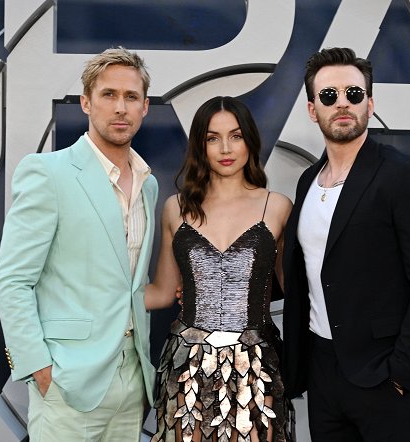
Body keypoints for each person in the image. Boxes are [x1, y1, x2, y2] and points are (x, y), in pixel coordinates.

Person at [282, 47, 410, 441]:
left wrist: (403, 373)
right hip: (323, 373)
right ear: (312, 110)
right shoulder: (307, 181)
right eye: (329, 96)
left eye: (353, 94)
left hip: (385, 378)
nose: (342, 103)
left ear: (370, 103)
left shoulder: (403, 176)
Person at [0, 46, 157, 442]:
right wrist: (39, 368)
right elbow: (12, 281)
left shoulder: (148, 184)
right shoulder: (47, 173)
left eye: (131, 97)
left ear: (144, 107)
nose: (120, 108)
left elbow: (131, 284)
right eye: (108, 95)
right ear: (86, 102)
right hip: (68, 382)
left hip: (133, 377)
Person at [144, 96, 293, 442]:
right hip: (187, 366)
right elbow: (163, 292)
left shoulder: (278, 207)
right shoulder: (175, 208)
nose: (225, 148)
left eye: (236, 136)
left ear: (250, 141)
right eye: (212, 138)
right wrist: (86, 300)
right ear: (200, 145)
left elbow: (300, 295)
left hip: (257, 368)